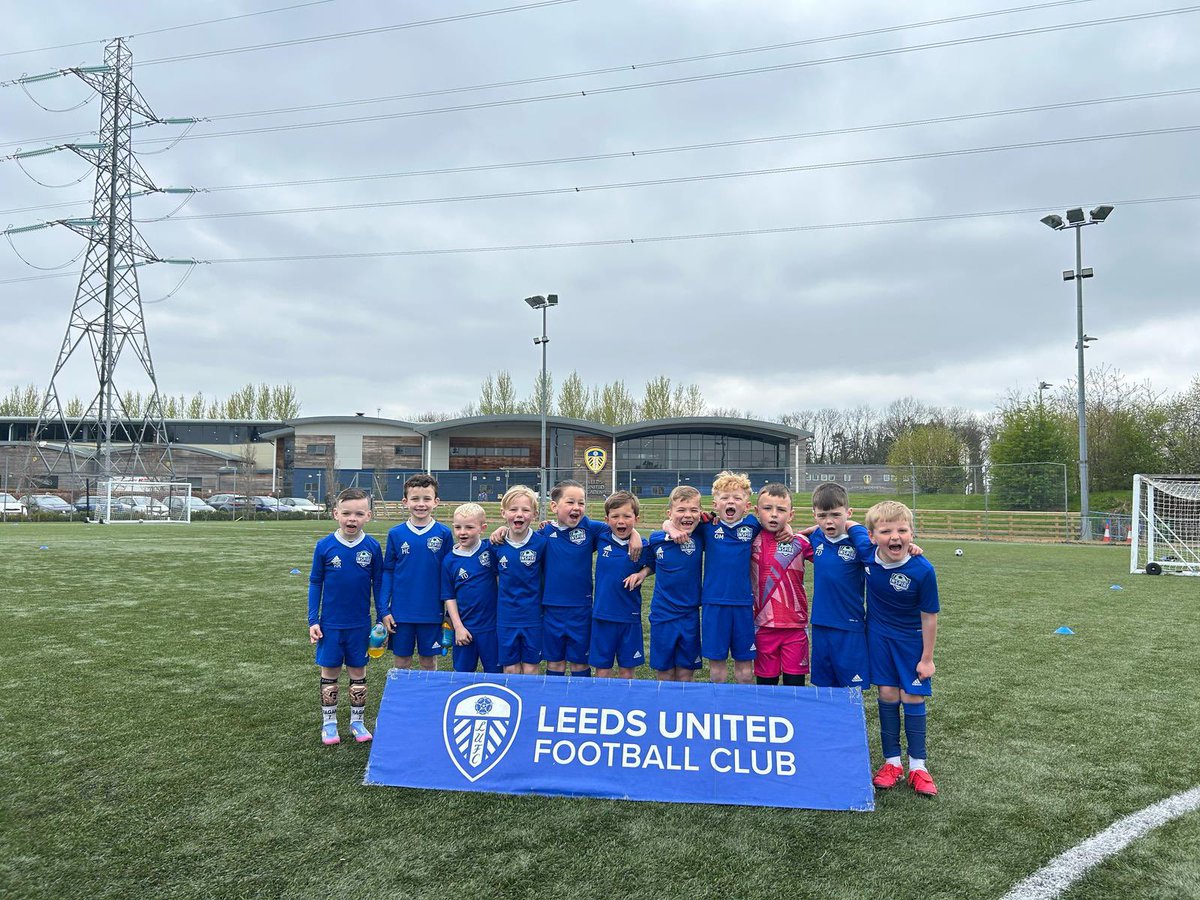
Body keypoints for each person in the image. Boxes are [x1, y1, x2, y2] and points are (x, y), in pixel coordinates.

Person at [862, 500, 941, 797]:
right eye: (886, 531)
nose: (895, 537)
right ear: (872, 537)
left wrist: (927, 658)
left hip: (912, 641)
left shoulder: (922, 570)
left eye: (902, 530)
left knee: (912, 696)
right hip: (879, 637)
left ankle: (918, 766)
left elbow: (929, 617)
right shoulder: (867, 556)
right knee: (887, 694)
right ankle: (892, 763)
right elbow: (843, 525)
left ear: (912, 534)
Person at [307, 487, 384, 746]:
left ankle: (357, 721)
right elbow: (315, 582)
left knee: (357, 673)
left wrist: (381, 616)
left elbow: (379, 583)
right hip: (330, 624)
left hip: (360, 624)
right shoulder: (325, 546)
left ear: (369, 516)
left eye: (359, 513)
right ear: (336, 513)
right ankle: (329, 724)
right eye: (347, 513)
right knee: (329, 673)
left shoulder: (372, 547)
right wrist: (313, 620)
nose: (352, 518)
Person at [806, 483, 875, 690]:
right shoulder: (816, 537)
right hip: (820, 624)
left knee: (851, 689)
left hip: (849, 625)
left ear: (848, 513)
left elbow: (876, 555)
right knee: (823, 686)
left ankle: (850, 723)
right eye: (822, 515)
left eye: (836, 515)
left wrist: (855, 527)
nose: (829, 521)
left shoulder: (857, 541)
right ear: (814, 515)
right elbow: (797, 537)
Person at [381, 474, 452, 671]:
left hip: (432, 611)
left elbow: (449, 574)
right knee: (402, 662)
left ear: (436, 502)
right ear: (405, 502)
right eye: (415, 499)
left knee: (428, 662)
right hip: (401, 612)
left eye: (427, 499)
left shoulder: (444, 533)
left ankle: (427, 702)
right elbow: (388, 571)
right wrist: (384, 610)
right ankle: (404, 702)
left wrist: (449, 610)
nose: (421, 504)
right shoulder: (396, 533)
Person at [751, 483, 814, 686]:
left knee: (794, 686)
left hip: (795, 627)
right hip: (762, 626)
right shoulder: (749, 540)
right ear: (756, 511)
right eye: (767, 508)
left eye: (781, 510)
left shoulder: (800, 543)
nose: (774, 515)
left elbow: (833, 544)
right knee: (765, 687)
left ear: (791, 515)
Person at [589, 491, 652, 678]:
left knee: (627, 671)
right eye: (615, 516)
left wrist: (642, 573)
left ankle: (624, 705)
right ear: (607, 519)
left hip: (629, 617)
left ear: (636, 518)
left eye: (627, 516)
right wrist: (548, 523)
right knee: (602, 670)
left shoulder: (643, 546)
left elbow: (653, 564)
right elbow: (573, 526)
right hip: (602, 615)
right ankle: (602, 704)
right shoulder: (601, 537)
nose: (620, 521)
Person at [647, 485, 705, 682]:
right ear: (669, 513)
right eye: (681, 510)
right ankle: (665, 710)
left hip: (689, 615)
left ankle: (684, 710)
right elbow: (649, 563)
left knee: (686, 673)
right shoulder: (656, 539)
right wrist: (669, 527)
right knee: (664, 672)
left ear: (700, 512)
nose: (687, 515)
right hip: (663, 615)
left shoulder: (701, 536)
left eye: (693, 510)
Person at [493, 485, 547, 675]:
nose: (519, 514)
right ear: (503, 512)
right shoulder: (494, 545)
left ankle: (532, 704)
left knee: (531, 667)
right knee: (510, 668)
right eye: (513, 509)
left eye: (525, 510)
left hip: (533, 616)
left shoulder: (542, 543)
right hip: (506, 617)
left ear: (534, 514)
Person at [441, 503, 501, 674]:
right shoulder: (449, 561)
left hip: (492, 627)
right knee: (462, 675)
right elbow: (449, 597)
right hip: (465, 628)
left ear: (483, 528)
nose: (462, 532)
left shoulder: (490, 549)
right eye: (458, 527)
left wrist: (502, 528)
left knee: (496, 674)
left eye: (469, 527)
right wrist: (458, 627)